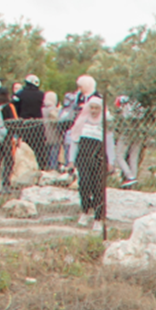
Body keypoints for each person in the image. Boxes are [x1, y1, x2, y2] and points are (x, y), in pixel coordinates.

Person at [70, 74, 109, 224]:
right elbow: (74, 139)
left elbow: (109, 141)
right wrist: (71, 160)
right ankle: (85, 210)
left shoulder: (104, 120)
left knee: (97, 185)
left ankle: (99, 217)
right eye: (91, 107)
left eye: (96, 108)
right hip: (83, 155)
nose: (93, 110)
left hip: (98, 155)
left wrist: (110, 160)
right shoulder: (82, 117)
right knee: (84, 183)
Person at [11, 75, 47, 179]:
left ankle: (22, 171)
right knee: (39, 149)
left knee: (23, 148)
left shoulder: (20, 94)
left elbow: (15, 107)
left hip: (23, 125)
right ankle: (41, 169)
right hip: (38, 125)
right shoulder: (41, 95)